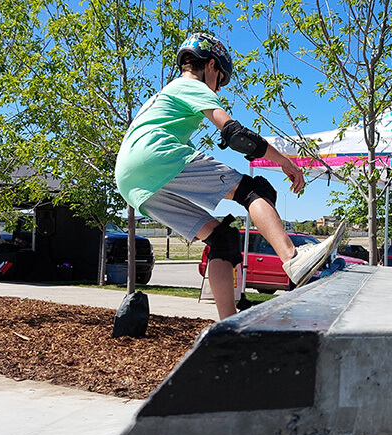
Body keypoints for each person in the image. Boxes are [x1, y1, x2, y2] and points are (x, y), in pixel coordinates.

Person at [115, 32, 333, 320]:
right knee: (254, 190)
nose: (217, 89)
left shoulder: (161, 96)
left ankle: (227, 324)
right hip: (156, 157)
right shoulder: (191, 85)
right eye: (220, 80)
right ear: (211, 66)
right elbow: (236, 135)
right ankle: (292, 258)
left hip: (131, 182)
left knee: (222, 241)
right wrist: (285, 162)